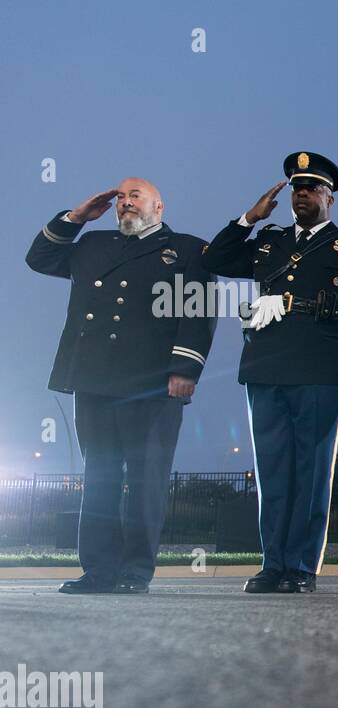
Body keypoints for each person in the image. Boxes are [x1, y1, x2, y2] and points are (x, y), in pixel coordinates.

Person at [202, 152, 338, 594]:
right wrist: (248, 217)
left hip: (321, 366)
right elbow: (217, 259)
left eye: (311, 187)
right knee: (272, 471)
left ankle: (301, 567)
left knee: (310, 470)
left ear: (329, 196)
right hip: (266, 363)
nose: (302, 193)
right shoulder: (268, 240)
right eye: (296, 188)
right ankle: (273, 565)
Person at [26, 179, 216, 594]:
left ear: (159, 206)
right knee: (99, 476)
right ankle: (98, 570)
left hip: (152, 382)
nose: (126, 203)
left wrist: (185, 367)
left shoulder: (187, 250)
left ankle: (135, 571)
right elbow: (38, 258)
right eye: (121, 198)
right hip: (94, 377)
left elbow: (199, 312)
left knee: (147, 479)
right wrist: (76, 217)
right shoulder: (93, 244)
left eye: (136, 196)